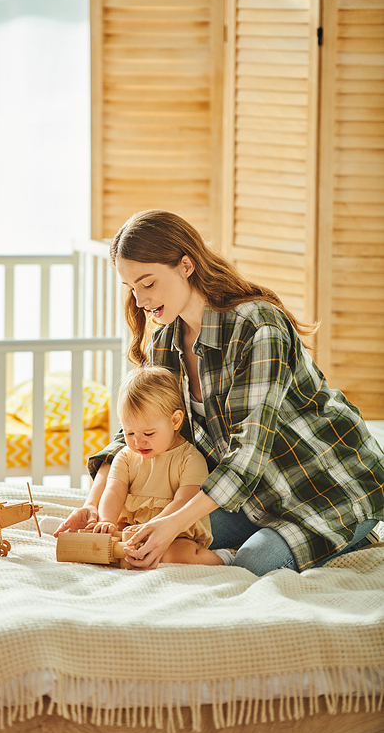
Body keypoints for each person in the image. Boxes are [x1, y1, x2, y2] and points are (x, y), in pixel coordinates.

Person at [55, 209, 384, 575]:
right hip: (250, 498)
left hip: (324, 489)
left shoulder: (259, 326)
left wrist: (175, 522)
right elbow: (133, 432)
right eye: (131, 288)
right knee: (142, 533)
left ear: (186, 265)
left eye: (148, 283)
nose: (141, 300)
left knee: (253, 562)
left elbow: (249, 452)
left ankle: (353, 529)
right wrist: (93, 503)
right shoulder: (166, 343)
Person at [89, 365, 233, 566]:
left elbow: (184, 500)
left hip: (175, 530)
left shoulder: (190, 458)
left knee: (176, 556)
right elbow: (113, 491)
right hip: (132, 526)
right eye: (129, 433)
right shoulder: (125, 456)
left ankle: (224, 558)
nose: (138, 442)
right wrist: (107, 521)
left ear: (175, 421)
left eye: (148, 434)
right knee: (110, 549)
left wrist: (151, 527)